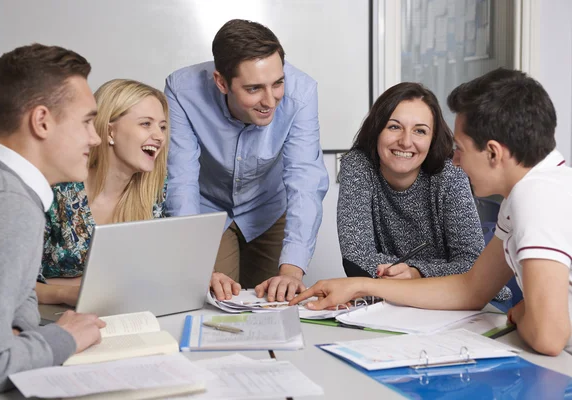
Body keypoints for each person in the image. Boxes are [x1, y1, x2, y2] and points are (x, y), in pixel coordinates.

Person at [291, 68, 572, 356]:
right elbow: (472, 288)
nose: (456, 161)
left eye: (460, 149)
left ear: (493, 153)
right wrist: (358, 285)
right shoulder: (528, 192)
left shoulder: (536, 196)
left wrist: (519, 313)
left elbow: (548, 337)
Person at [0, 44, 105, 398]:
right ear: (42, 121)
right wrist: (64, 338)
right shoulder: (6, 205)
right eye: (87, 122)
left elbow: (18, 301)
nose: (95, 139)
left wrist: (19, 334)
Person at [165, 19, 329, 302]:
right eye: (254, 89)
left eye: (277, 84)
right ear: (221, 82)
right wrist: (193, 266)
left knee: (275, 301)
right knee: (212, 299)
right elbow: (181, 181)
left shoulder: (301, 92)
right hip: (209, 209)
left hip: (270, 207)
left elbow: (305, 179)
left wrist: (292, 271)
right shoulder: (182, 92)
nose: (270, 100)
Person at [338, 82, 510, 300]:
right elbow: (355, 258)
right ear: (376, 130)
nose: (405, 141)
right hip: (387, 304)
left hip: (455, 301)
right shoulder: (357, 165)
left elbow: (473, 265)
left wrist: (416, 273)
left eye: (420, 131)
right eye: (394, 127)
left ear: (432, 139)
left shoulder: (450, 174)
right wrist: (416, 274)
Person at [37, 79, 169, 306]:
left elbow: (151, 274)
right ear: (110, 131)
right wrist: (66, 293)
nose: (159, 136)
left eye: (163, 126)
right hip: (48, 318)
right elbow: (14, 283)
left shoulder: (152, 192)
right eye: (146, 124)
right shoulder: (56, 190)